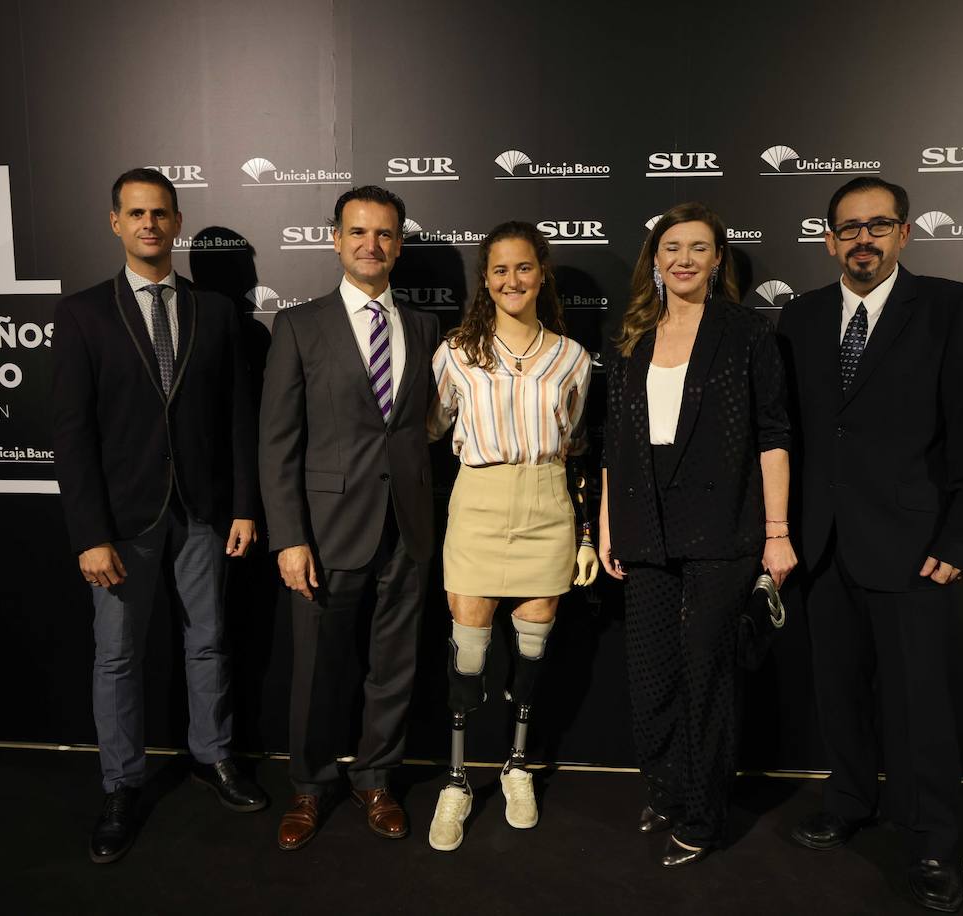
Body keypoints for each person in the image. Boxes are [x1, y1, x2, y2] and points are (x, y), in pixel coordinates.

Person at [777, 176, 963, 913]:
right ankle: (847, 801)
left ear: (904, 233)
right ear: (828, 239)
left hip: (914, 545)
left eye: (878, 225)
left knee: (921, 704)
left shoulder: (950, 307)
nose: (863, 239)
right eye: (848, 227)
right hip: (823, 543)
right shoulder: (800, 317)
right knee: (837, 691)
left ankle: (933, 834)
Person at [52, 168, 266, 864]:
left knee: (208, 642)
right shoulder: (84, 314)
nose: (149, 224)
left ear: (176, 222)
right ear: (116, 222)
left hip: (203, 512)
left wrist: (241, 505)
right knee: (117, 658)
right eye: (136, 213)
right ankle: (121, 785)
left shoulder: (217, 313)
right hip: (122, 522)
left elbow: (238, 416)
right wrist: (90, 534)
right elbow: (73, 433)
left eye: (161, 213)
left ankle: (214, 758)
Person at [599, 202, 795, 867]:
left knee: (707, 677)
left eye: (699, 248)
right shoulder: (630, 335)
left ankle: (705, 816)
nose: (683, 258)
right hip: (641, 527)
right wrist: (605, 526)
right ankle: (666, 789)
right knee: (650, 675)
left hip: (722, 529)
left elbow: (773, 437)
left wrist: (777, 532)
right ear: (653, 260)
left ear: (718, 260)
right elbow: (612, 444)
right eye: (671, 247)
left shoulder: (746, 334)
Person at [259, 185, 440, 850]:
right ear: (335, 239)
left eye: (385, 234)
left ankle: (376, 778)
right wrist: (289, 538)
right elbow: (277, 442)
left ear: (398, 244)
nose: (372, 244)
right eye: (359, 232)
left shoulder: (423, 326)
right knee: (316, 668)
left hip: (408, 526)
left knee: (393, 663)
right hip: (326, 532)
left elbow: (423, 427)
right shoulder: (299, 326)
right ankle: (309, 786)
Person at [424, 222, 598, 852]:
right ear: (486, 279)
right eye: (499, 270)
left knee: (532, 650)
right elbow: (435, 427)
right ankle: (456, 779)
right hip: (478, 502)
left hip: (546, 500)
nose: (512, 281)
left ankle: (517, 766)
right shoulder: (454, 354)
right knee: (467, 653)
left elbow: (576, 444)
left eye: (524, 268)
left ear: (541, 273)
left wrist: (583, 532)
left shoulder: (573, 358)